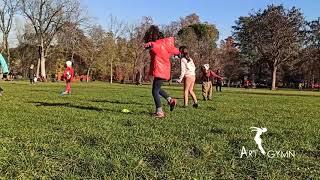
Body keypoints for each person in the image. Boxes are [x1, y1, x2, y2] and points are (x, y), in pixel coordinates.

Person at [144, 25, 180, 118]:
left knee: (154, 91)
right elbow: (175, 50)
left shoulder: (157, 44)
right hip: (164, 71)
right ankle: (171, 100)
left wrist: (150, 44)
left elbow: (154, 45)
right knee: (157, 89)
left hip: (160, 70)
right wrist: (180, 53)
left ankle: (159, 112)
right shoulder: (166, 45)